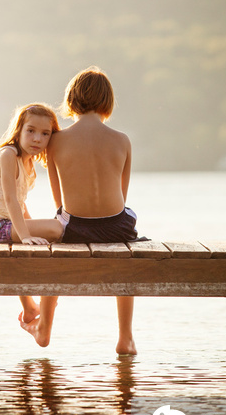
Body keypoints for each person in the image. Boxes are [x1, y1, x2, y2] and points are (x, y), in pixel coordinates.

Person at [19, 67, 142, 355]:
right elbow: (122, 197)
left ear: (71, 99)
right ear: (108, 102)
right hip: (117, 226)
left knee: (55, 238)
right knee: (127, 249)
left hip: (75, 227)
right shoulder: (123, 140)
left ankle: (44, 327)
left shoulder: (57, 141)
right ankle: (126, 338)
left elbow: (58, 201)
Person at [0, 103, 63, 324]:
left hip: (6, 222)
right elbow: (11, 199)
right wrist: (25, 236)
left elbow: (20, 204)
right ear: (19, 130)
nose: (37, 139)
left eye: (45, 134)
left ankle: (29, 307)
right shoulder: (8, 155)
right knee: (57, 227)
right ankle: (32, 305)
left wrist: (32, 229)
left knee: (49, 232)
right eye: (30, 130)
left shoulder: (29, 163)